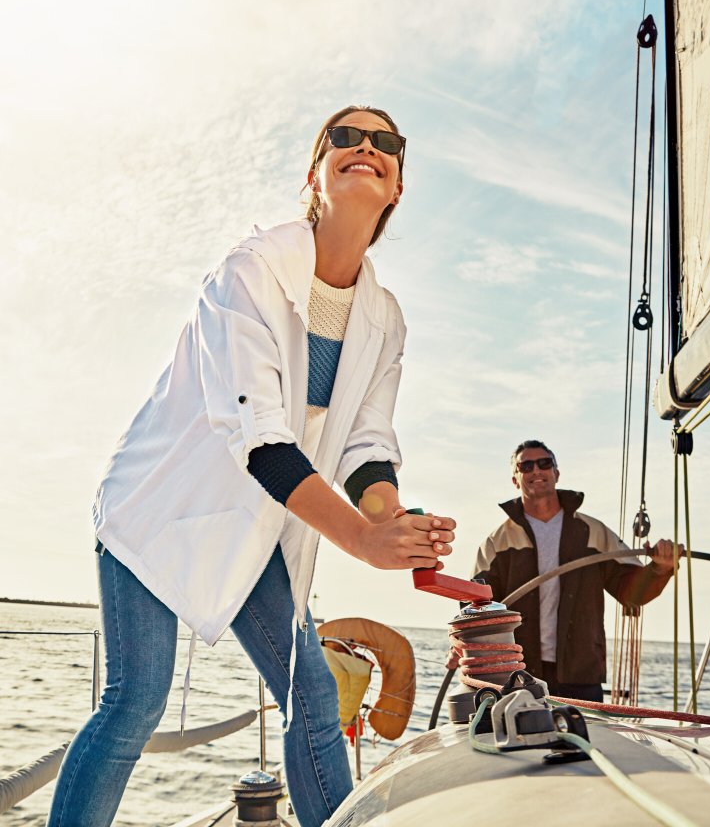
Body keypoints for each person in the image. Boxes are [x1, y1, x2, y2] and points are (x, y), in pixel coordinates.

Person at [48, 105, 456, 827]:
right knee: (136, 699)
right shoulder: (252, 269)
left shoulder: (385, 317)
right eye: (345, 137)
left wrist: (391, 517)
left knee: (311, 694)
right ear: (314, 174)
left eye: (385, 143)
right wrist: (362, 542)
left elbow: (367, 444)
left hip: (263, 520)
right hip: (160, 509)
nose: (366, 147)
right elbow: (260, 437)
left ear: (396, 186)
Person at [472, 439, 677, 702]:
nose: (536, 471)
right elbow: (476, 605)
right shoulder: (497, 542)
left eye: (545, 463)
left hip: (581, 674)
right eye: (526, 466)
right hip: (519, 674)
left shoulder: (593, 532)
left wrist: (661, 568)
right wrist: (464, 646)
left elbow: (633, 593)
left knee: (581, 742)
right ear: (515, 479)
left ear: (556, 473)